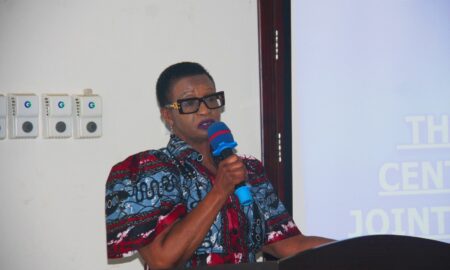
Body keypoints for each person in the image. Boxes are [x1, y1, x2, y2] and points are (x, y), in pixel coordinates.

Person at [105, 62, 333, 269]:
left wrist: (361, 248)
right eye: (190, 102)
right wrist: (220, 190)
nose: (205, 110)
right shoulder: (146, 171)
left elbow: (285, 243)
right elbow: (162, 260)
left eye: (211, 99)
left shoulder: (248, 169)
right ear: (168, 115)